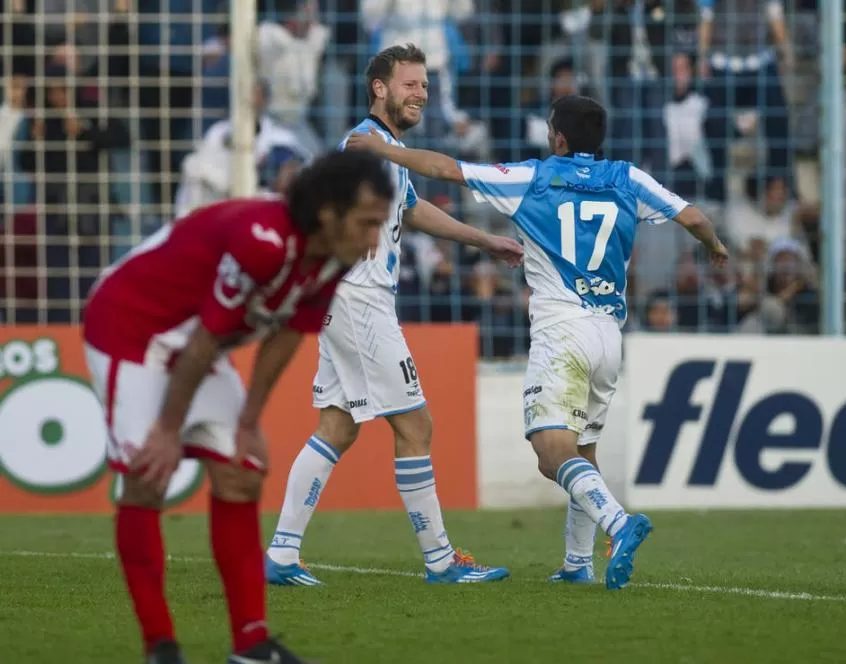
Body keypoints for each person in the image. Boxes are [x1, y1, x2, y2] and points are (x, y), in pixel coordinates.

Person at [346, 95, 729, 589]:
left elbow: (447, 168)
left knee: (552, 453)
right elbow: (695, 218)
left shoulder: (535, 176)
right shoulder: (628, 178)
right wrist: (715, 247)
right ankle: (577, 565)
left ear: (559, 138)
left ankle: (618, 521)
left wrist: (388, 151)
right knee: (583, 448)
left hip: (562, 333)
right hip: (610, 335)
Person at [82, 149, 395, 664]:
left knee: (242, 471)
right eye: (366, 223)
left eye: (379, 224)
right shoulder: (263, 241)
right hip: (131, 329)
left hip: (193, 341)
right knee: (146, 475)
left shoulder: (333, 256)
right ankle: (160, 645)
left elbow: (290, 334)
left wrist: (250, 421)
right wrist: (167, 428)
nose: (372, 239)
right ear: (327, 212)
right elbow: (207, 341)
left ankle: (251, 646)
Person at [264, 44, 520, 586]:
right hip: (358, 298)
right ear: (379, 87)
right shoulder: (365, 149)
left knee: (338, 424)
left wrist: (483, 241)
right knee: (415, 424)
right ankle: (440, 560)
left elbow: (412, 210)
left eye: (425, 85)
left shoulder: (382, 151)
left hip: (348, 297)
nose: (421, 93)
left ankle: (282, 554)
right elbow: (323, 213)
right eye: (409, 84)